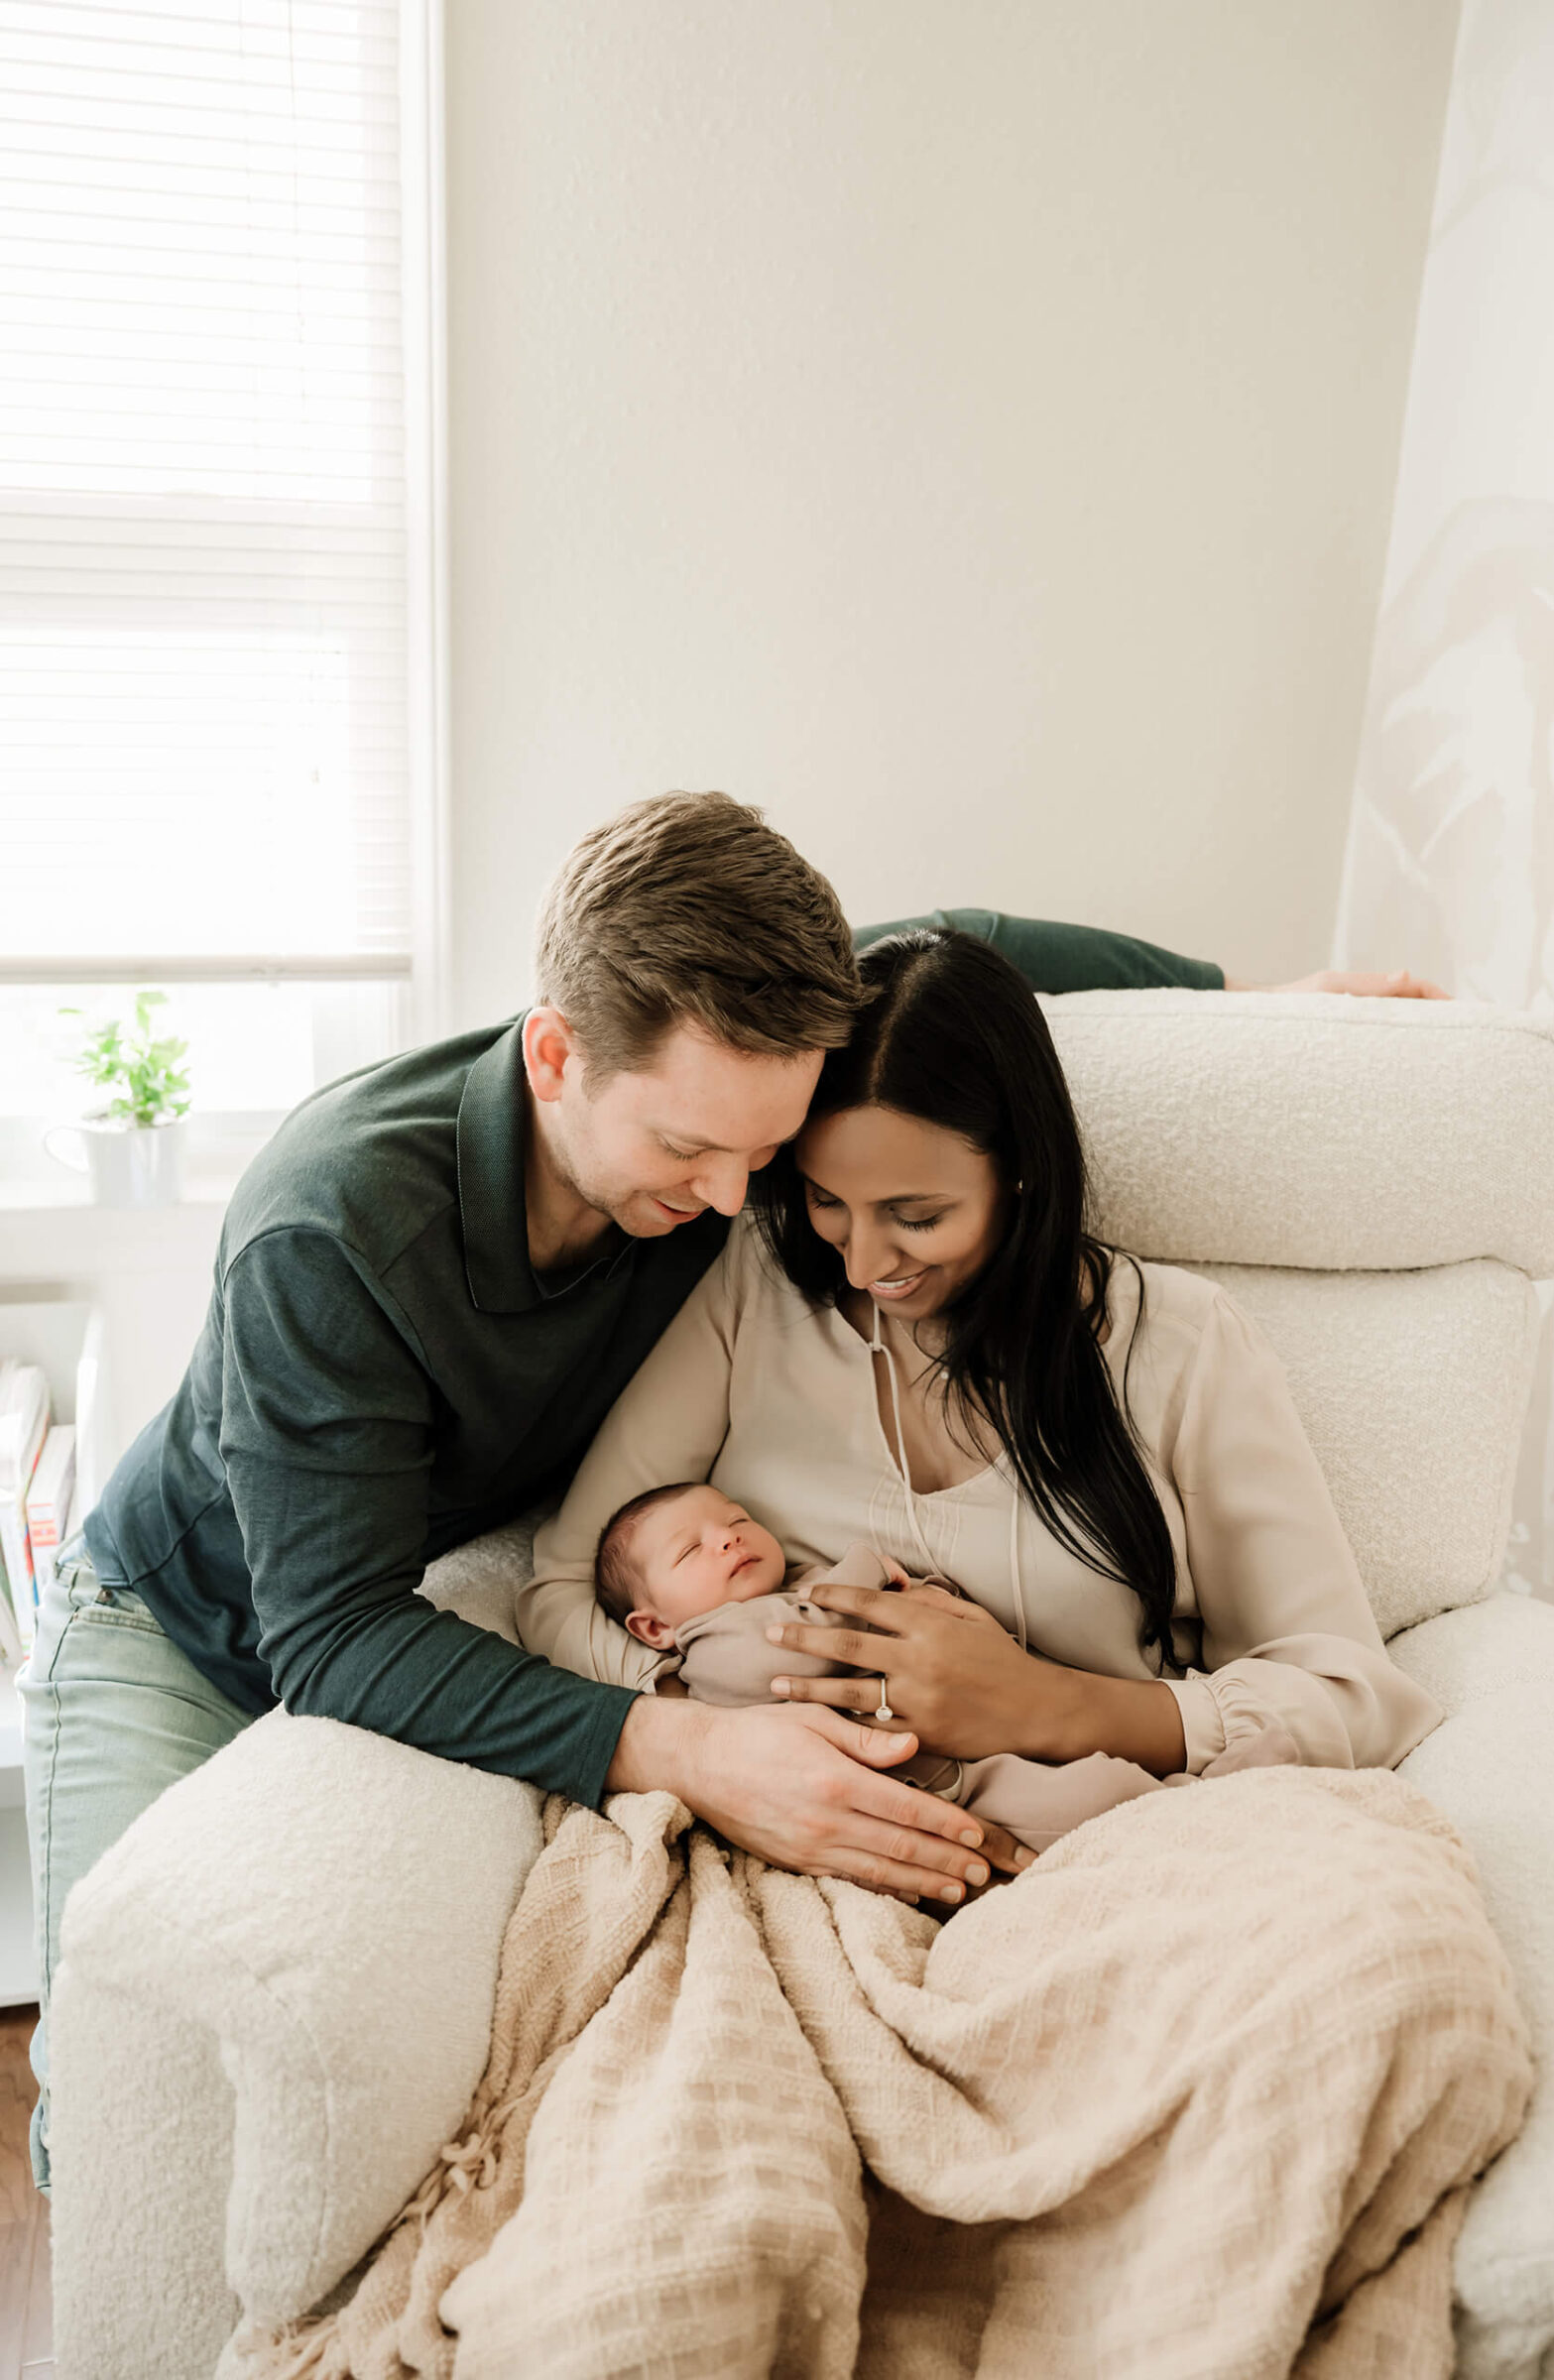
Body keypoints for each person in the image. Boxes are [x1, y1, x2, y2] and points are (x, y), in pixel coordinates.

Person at [20, 788, 1446, 2196]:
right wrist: (695, 1744)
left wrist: (1255, 996)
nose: (729, 1208)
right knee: (116, 2085)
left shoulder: (736, 1035)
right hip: (185, 1619)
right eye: (689, 1154)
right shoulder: (330, 1228)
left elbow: (967, 948)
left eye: (765, 1158)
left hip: (419, 1586)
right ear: (557, 1053)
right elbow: (332, 1631)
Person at [520, 927, 1444, 1844]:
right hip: (798, 1839)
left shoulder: (1179, 1345)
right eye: (827, 1201)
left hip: (1092, 1830)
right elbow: (562, 1588)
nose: (865, 1262)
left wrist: (1052, 1705)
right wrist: (736, 1731)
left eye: (916, 1216)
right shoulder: (758, 1285)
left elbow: (1349, 1696)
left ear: (1023, 1176)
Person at [592, 1480, 1307, 1857]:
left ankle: (1208, 1791)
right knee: (1087, 1799)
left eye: (737, 1520)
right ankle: (1207, 1810)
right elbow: (798, 1652)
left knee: (1092, 1768)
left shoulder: (796, 1583)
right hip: (942, 1786)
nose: (727, 1541)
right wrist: (869, 1570)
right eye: (692, 1552)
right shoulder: (711, 1647)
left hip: (973, 1729)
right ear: (653, 1626)